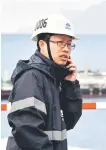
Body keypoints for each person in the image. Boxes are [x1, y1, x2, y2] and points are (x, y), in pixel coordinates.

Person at [6, 14, 83, 150]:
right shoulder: (31, 78)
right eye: (60, 42)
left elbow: (70, 121)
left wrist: (70, 84)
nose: (66, 49)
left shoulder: (54, 79)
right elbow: (27, 131)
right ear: (42, 44)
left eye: (69, 44)